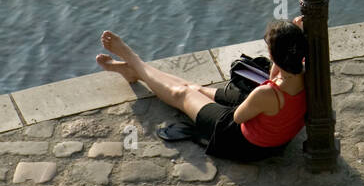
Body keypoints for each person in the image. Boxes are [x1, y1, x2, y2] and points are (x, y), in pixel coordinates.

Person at [96, 17, 307, 161]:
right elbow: (279, 69)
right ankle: (137, 72)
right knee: (196, 88)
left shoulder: (267, 93)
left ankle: (133, 60)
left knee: (184, 93)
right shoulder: (305, 70)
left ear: (275, 57)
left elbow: (240, 117)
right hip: (272, 131)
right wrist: (296, 33)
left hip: (239, 140)